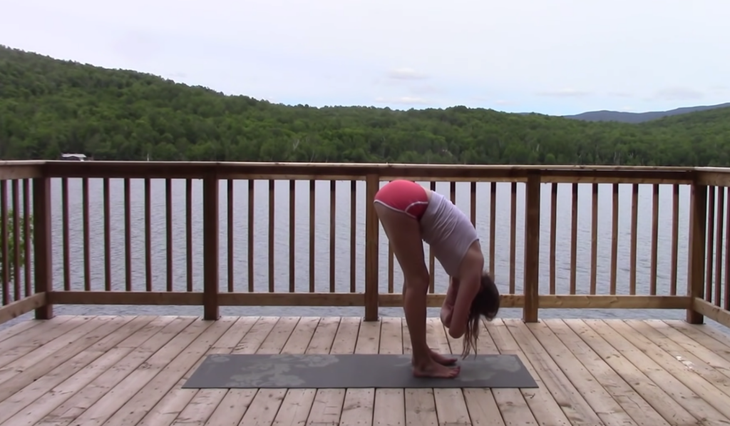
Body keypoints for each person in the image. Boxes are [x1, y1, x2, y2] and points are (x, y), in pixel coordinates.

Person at [373, 179, 500, 379]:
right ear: (479, 295)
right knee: (419, 281)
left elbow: (446, 313)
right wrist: (460, 313)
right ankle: (422, 362)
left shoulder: (465, 268)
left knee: (414, 279)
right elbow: (455, 330)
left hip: (396, 195)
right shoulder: (473, 274)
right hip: (404, 202)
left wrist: (451, 310)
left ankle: (421, 352)